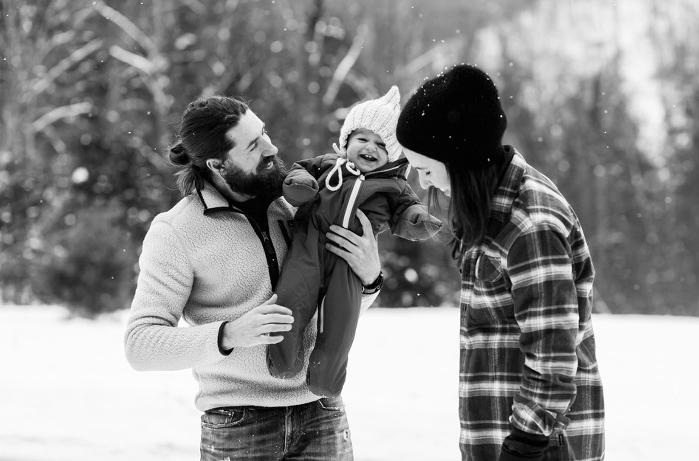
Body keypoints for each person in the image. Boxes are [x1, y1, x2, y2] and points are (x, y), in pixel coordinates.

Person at [124, 95, 383, 461]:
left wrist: (369, 278)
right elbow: (140, 346)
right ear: (217, 164)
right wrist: (228, 334)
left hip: (321, 411)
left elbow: (336, 300)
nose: (271, 146)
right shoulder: (176, 231)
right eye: (253, 144)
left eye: (263, 132)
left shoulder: (300, 203)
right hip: (239, 424)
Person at [396, 64, 605, 461]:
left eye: (425, 169)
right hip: (501, 439)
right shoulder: (492, 209)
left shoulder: (531, 225)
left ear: (457, 157)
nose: (422, 183)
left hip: (540, 447)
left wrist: (524, 445)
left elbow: (552, 356)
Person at [267, 86, 442, 397]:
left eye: (381, 144)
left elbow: (407, 213)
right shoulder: (326, 165)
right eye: (362, 139)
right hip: (308, 247)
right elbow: (297, 175)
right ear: (346, 140)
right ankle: (283, 360)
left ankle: (326, 378)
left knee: (342, 320)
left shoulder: (394, 186)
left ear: (394, 153)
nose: (370, 148)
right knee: (291, 299)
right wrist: (301, 185)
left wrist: (419, 219)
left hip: (350, 266)